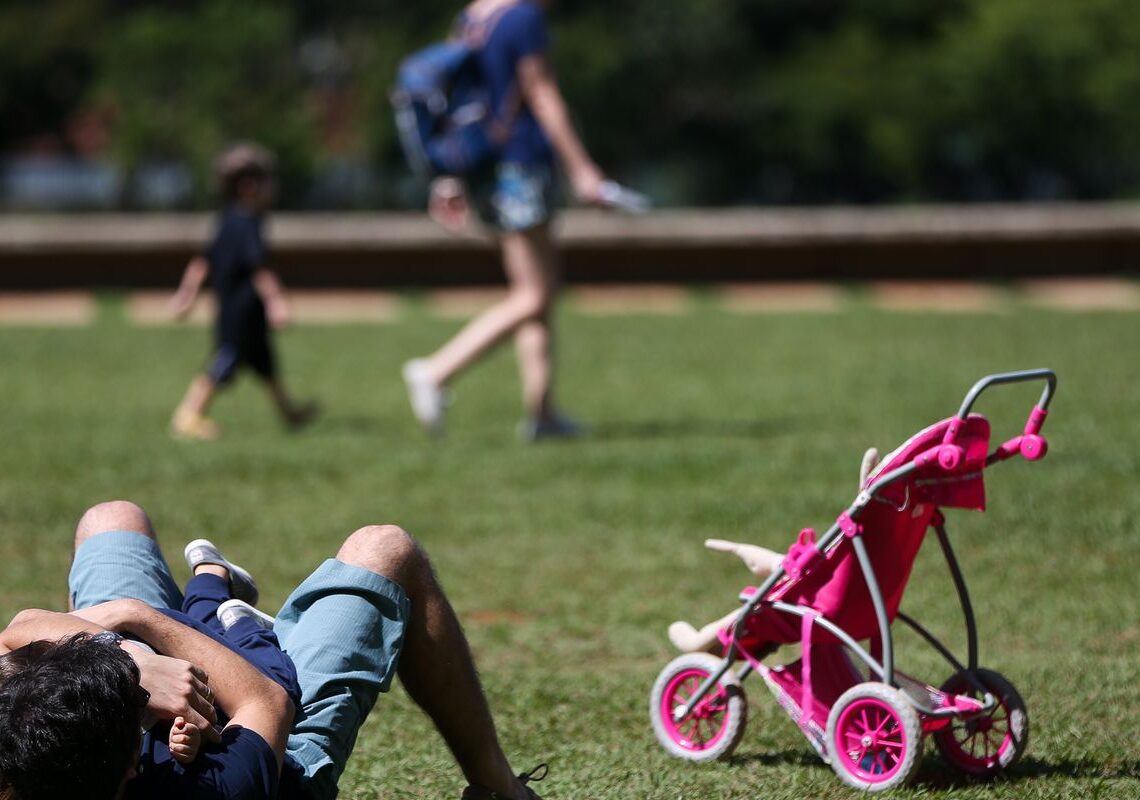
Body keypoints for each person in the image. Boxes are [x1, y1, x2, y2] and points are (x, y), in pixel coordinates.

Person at [0, 501, 545, 800]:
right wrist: (134, 620)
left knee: (110, 519)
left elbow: (14, 634)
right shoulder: (216, 792)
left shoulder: (36, 766)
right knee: (386, 549)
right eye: (130, 703)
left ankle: (216, 604)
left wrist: (130, 658)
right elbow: (264, 700)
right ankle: (499, 786)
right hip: (271, 743)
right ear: (129, 770)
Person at [402, 0, 608, 441]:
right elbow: (542, 93)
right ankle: (436, 371)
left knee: (535, 291)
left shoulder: (473, 15)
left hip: (488, 169)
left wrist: (448, 178)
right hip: (522, 165)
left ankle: (543, 414)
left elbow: (452, 101)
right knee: (534, 295)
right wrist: (582, 168)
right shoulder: (522, 17)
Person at [169, 143, 316, 441]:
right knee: (225, 361)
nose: (272, 187)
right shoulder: (248, 223)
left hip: (240, 309)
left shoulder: (228, 219)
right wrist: (277, 302)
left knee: (266, 364)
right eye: (267, 181)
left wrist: (187, 295)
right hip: (241, 309)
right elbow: (259, 268)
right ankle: (188, 413)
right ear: (249, 186)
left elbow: (202, 262)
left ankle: (290, 414)